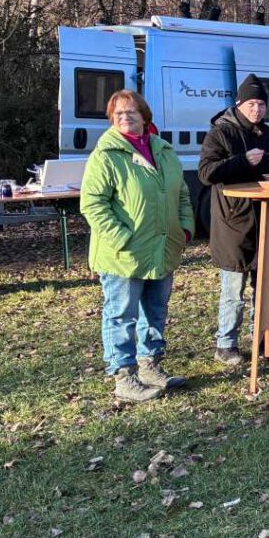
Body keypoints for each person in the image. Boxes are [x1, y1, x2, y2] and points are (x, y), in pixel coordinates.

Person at [80, 90, 195, 402]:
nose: (125, 117)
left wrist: (184, 229)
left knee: (155, 311)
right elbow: (92, 204)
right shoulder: (106, 155)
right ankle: (124, 376)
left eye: (131, 112)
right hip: (123, 253)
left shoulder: (164, 151)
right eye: (117, 114)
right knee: (121, 314)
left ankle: (150, 366)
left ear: (145, 116)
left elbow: (182, 194)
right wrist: (121, 238)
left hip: (162, 247)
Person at [197, 74, 269, 366]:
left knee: (264, 285)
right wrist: (241, 161)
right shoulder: (220, 132)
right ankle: (226, 344)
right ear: (239, 104)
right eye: (252, 103)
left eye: (262, 104)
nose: (257, 109)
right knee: (233, 287)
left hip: (266, 217)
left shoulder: (268, 133)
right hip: (233, 222)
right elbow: (206, 172)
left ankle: (262, 338)